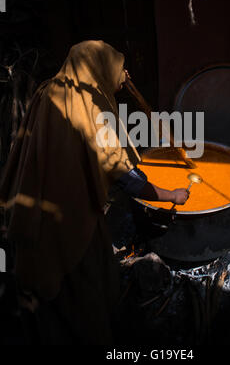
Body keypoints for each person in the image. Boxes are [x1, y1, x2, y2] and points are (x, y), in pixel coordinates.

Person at [0, 40, 189, 345]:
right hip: (67, 214)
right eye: (116, 67)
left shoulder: (50, 89)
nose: (123, 74)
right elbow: (123, 173)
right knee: (81, 287)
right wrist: (171, 195)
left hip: (34, 201)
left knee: (44, 287)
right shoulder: (90, 104)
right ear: (99, 68)